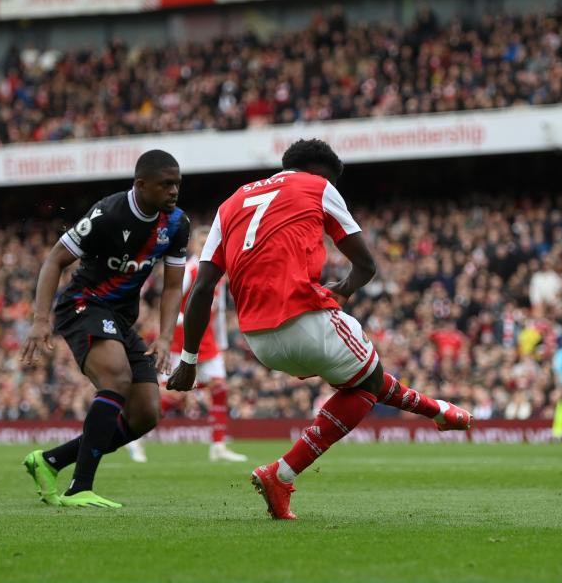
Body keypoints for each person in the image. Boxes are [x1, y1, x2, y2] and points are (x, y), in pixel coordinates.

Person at [166, 139, 473, 519]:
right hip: (304, 317)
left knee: (361, 383)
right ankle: (283, 473)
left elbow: (201, 289)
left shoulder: (229, 204)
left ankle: (440, 412)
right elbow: (366, 266)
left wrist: (189, 360)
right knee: (368, 385)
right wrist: (342, 289)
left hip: (258, 340)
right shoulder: (317, 186)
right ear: (318, 172)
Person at [20, 150, 190, 508]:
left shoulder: (176, 224)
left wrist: (164, 336)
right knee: (116, 378)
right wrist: (40, 320)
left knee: (145, 413)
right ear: (141, 184)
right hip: (84, 303)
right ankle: (80, 487)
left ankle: (50, 461)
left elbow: (173, 286)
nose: (174, 190)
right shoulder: (108, 213)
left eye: (177, 183)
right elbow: (55, 259)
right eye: (166, 184)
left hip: (121, 316)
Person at [125, 226, 248, 463]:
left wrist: (220, 343)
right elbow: (169, 304)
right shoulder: (190, 271)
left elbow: (218, 311)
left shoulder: (218, 276)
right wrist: (175, 327)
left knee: (220, 389)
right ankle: (134, 438)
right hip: (181, 343)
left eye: (210, 245)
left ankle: (218, 446)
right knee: (172, 397)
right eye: (202, 245)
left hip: (209, 343)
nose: (207, 249)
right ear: (194, 247)